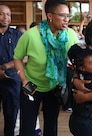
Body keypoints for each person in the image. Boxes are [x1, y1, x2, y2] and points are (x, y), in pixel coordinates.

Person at [13, 0, 78, 135]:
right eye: (62, 15)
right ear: (49, 16)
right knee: (27, 127)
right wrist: (24, 80)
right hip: (31, 84)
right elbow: (17, 58)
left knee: (51, 125)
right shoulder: (30, 35)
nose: (67, 20)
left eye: (68, 15)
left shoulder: (70, 35)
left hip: (54, 86)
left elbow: (76, 58)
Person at [0, 4, 22, 136]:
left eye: (8, 14)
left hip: (12, 80)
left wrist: (5, 67)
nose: (6, 17)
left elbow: (24, 57)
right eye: (2, 14)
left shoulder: (18, 35)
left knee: (11, 114)